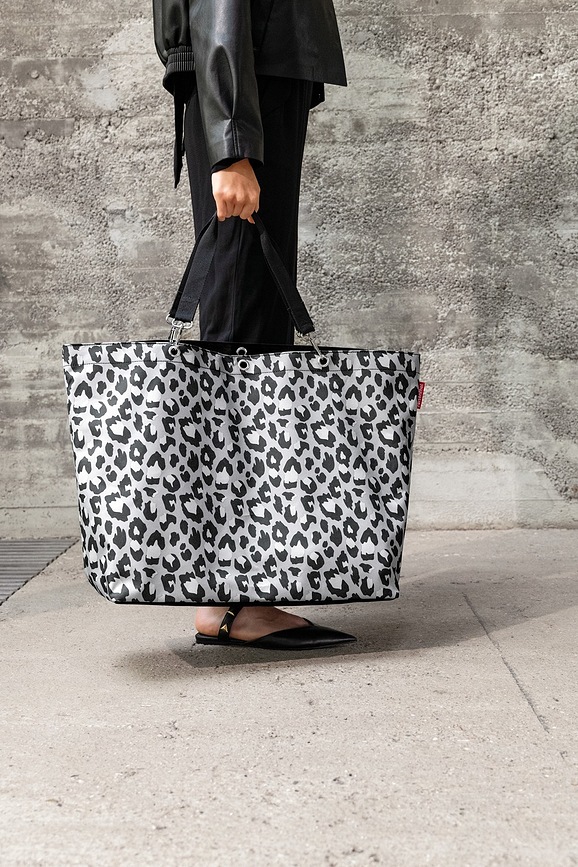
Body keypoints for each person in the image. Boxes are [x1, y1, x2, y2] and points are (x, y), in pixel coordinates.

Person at [153, 0, 356, 649]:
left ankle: (232, 592)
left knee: (248, 331)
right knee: (245, 337)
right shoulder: (242, 108)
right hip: (247, 90)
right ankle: (232, 599)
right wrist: (233, 144)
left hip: (250, 84)